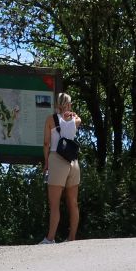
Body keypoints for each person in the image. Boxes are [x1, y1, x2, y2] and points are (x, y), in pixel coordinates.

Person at [39, 92, 82, 244]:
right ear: (69, 104)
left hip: (57, 160)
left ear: (56, 103)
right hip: (74, 163)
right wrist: (73, 114)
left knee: (55, 204)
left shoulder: (51, 119)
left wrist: (46, 163)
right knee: (73, 202)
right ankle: (71, 238)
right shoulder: (76, 120)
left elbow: (46, 143)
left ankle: (50, 238)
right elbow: (74, 119)